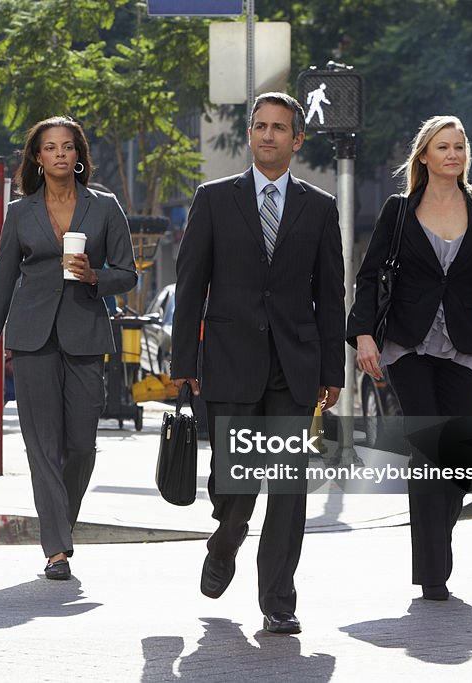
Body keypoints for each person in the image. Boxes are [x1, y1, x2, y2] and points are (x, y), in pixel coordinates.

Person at [172, 92, 345, 635]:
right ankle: (226, 539)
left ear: (297, 140)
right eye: (260, 126)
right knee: (236, 485)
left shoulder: (319, 208)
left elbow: (331, 293)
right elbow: (191, 286)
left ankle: (278, 599)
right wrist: (184, 361)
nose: (268, 135)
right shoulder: (214, 199)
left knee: (289, 488)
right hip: (229, 362)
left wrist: (331, 373)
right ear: (250, 135)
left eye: (280, 128)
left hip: (294, 368)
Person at [347, 115, 472, 601]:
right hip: (408, 344)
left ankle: (434, 541)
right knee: (428, 450)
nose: (452, 154)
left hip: (463, 344)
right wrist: (363, 334)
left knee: (460, 459)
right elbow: (370, 275)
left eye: (459, 146)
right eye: (442, 147)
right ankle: (432, 572)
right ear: (423, 155)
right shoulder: (398, 210)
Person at [0, 116, 137, 580]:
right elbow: (0, 283)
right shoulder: (21, 213)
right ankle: (56, 548)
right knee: (42, 446)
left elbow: (129, 272)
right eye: (50, 148)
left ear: (78, 155)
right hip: (32, 338)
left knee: (80, 446)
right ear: (37, 158)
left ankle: (62, 524)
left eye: (68, 146)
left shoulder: (105, 207)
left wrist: (96, 275)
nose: (60, 154)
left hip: (84, 336)